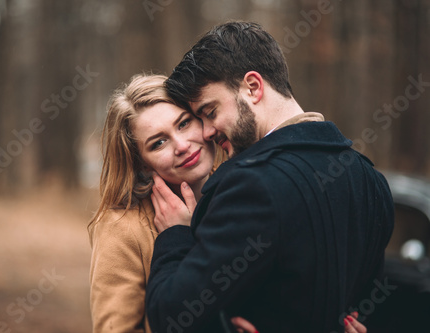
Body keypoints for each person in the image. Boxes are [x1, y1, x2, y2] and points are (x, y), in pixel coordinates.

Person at [146, 21, 394, 333]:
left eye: (210, 112)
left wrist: (175, 235)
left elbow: (171, 317)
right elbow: (359, 313)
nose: (207, 133)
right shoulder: (371, 181)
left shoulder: (249, 185)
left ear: (253, 87)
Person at [88, 73, 366, 333]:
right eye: (158, 143)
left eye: (184, 123)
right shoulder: (122, 226)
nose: (182, 145)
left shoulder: (241, 197)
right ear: (143, 166)